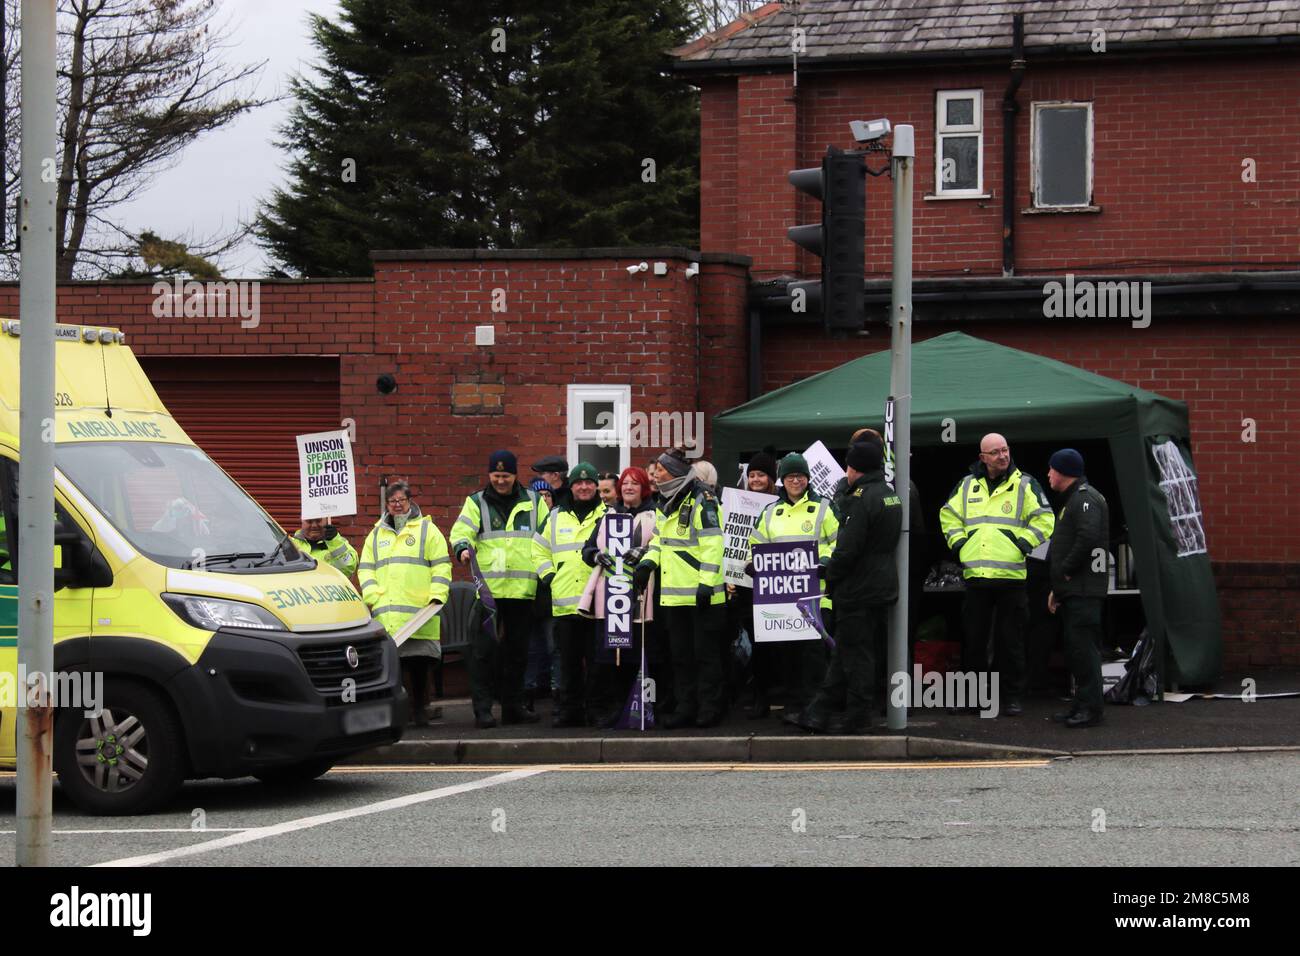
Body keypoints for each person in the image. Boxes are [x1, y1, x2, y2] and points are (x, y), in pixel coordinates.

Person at [786, 442, 901, 734]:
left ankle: (858, 716)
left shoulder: (859, 500)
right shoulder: (889, 495)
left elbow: (847, 549)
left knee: (856, 656)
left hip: (858, 589)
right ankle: (818, 712)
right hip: (880, 584)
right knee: (847, 653)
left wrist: (829, 575)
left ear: (854, 468)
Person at [938, 433, 1055, 717]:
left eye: (1005, 450)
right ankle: (972, 698)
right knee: (974, 641)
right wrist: (960, 545)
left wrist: (1024, 544)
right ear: (983, 458)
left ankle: (1011, 696)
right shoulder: (967, 486)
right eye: (995, 452)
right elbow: (948, 515)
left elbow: (1045, 517)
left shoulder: (1025, 484)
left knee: (1010, 641)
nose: (1002, 456)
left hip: (1011, 577)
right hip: (977, 576)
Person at [452, 450, 549, 728]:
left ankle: (513, 707)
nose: (501, 481)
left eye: (506, 476)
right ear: (489, 474)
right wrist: (462, 549)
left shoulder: (533, 501)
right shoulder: (476, 502)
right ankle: (483, 710)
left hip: (522, 589)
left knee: (518, 653)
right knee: (484, 652)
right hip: (489, 593)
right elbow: (461, 531)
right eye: (496, 476)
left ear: (516, 475)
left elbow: (546, 534)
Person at [634, 446, 726, 728]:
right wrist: (647, 564)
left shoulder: (703, 499)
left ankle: (710, 708)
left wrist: (706, 585)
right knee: (681, 658)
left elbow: (713, 544)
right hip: (674, 598)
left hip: (702, 597)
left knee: (706, 657)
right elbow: (660, 542)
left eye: (659, 471)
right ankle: (687, 707)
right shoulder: (667, 502)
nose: (655, 476)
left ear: (673, 472)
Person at [749, 453, 839, 719]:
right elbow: (756, 545)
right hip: (782, 600)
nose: (796, 481)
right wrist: (752, 564)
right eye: (790, 476)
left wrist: (825, 561)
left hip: (816, 596)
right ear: (782, 480)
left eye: (800, 476)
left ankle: (817, 709)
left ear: (808, 479)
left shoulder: (824, 506)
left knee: (814, 657)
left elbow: (839, 542)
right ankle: (796, 708)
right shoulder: (770, 512)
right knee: (787, 658)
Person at [358, 481, 450, 726]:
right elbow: (366, 569)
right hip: (388, 617)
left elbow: (441, 565)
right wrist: (372, 597)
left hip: (419, 615)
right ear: (386, 505)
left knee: (419, 668)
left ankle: (420, 712)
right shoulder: (376, 535)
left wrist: (437, 596)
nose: (397, 505)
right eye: (392, 501)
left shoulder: (427, 530)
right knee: (394, 670)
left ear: (410, 501)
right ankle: (400, 715)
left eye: (402, 500)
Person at [581, 466, 659, 726]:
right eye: (625, 483)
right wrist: (596, 556)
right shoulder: (608, 516)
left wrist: (644, 553)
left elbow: (662, 547)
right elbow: (587, 549)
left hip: (639, 597)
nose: (628, 488)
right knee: (608, 656)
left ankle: (635, 708)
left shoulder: (654, 515)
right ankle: (610, 709)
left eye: (634, 484)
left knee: (635, 655)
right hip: (611, 597)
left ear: (643, 488)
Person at [531, 462, 606, 727]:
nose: (584, 487)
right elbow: (538, 549)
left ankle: (595, 710)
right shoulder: (555, 516)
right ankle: (568, 711)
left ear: (596, 486)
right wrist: (550, 576)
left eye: (589, 483)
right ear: (571, 486)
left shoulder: (608, 515)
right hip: (565, 602)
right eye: (578, 483)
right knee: (567, 662)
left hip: (598, 604)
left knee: (597, 662)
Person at [1046, 448, 1109, 728]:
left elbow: (1087, 537)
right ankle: (1081, 704)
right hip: (1073, 591)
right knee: (1076, 650)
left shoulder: (1085, 499)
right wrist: (1058, 588)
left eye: (1052, 469)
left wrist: (1066, 571)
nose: (1048, 474)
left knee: (1084, 650)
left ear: (1063, 471)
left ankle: (1092, 710)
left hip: (1083, 591)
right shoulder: (1073, 500)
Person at [731, 451, 778, 717]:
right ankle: (759, 695)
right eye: (751, 475)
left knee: (769, 643)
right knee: (756, 640)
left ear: (770, 478)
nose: (755, 479)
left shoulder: (778, 504)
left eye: (760, 475)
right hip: (746, 581)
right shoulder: (737, 502)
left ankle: (770, 694)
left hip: (771, 582)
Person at [291, 516, 359, 576]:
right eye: (309, 521)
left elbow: (348, 570)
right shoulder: (290, 544)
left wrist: (334, 541)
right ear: (302, 521)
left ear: (326, 520)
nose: (314, 525)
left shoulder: (339, 543)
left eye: (318, 521)